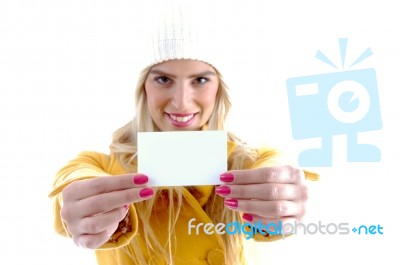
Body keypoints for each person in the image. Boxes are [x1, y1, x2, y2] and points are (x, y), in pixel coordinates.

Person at [49, 2, 318, 265]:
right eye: (163, 79)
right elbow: (72, 184)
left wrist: (281, 201)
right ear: (144, 87)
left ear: (219, 88)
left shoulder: (250, 162)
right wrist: (80, 208)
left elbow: (277, 170)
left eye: (200, 80)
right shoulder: (99, 166)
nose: (181, 103)